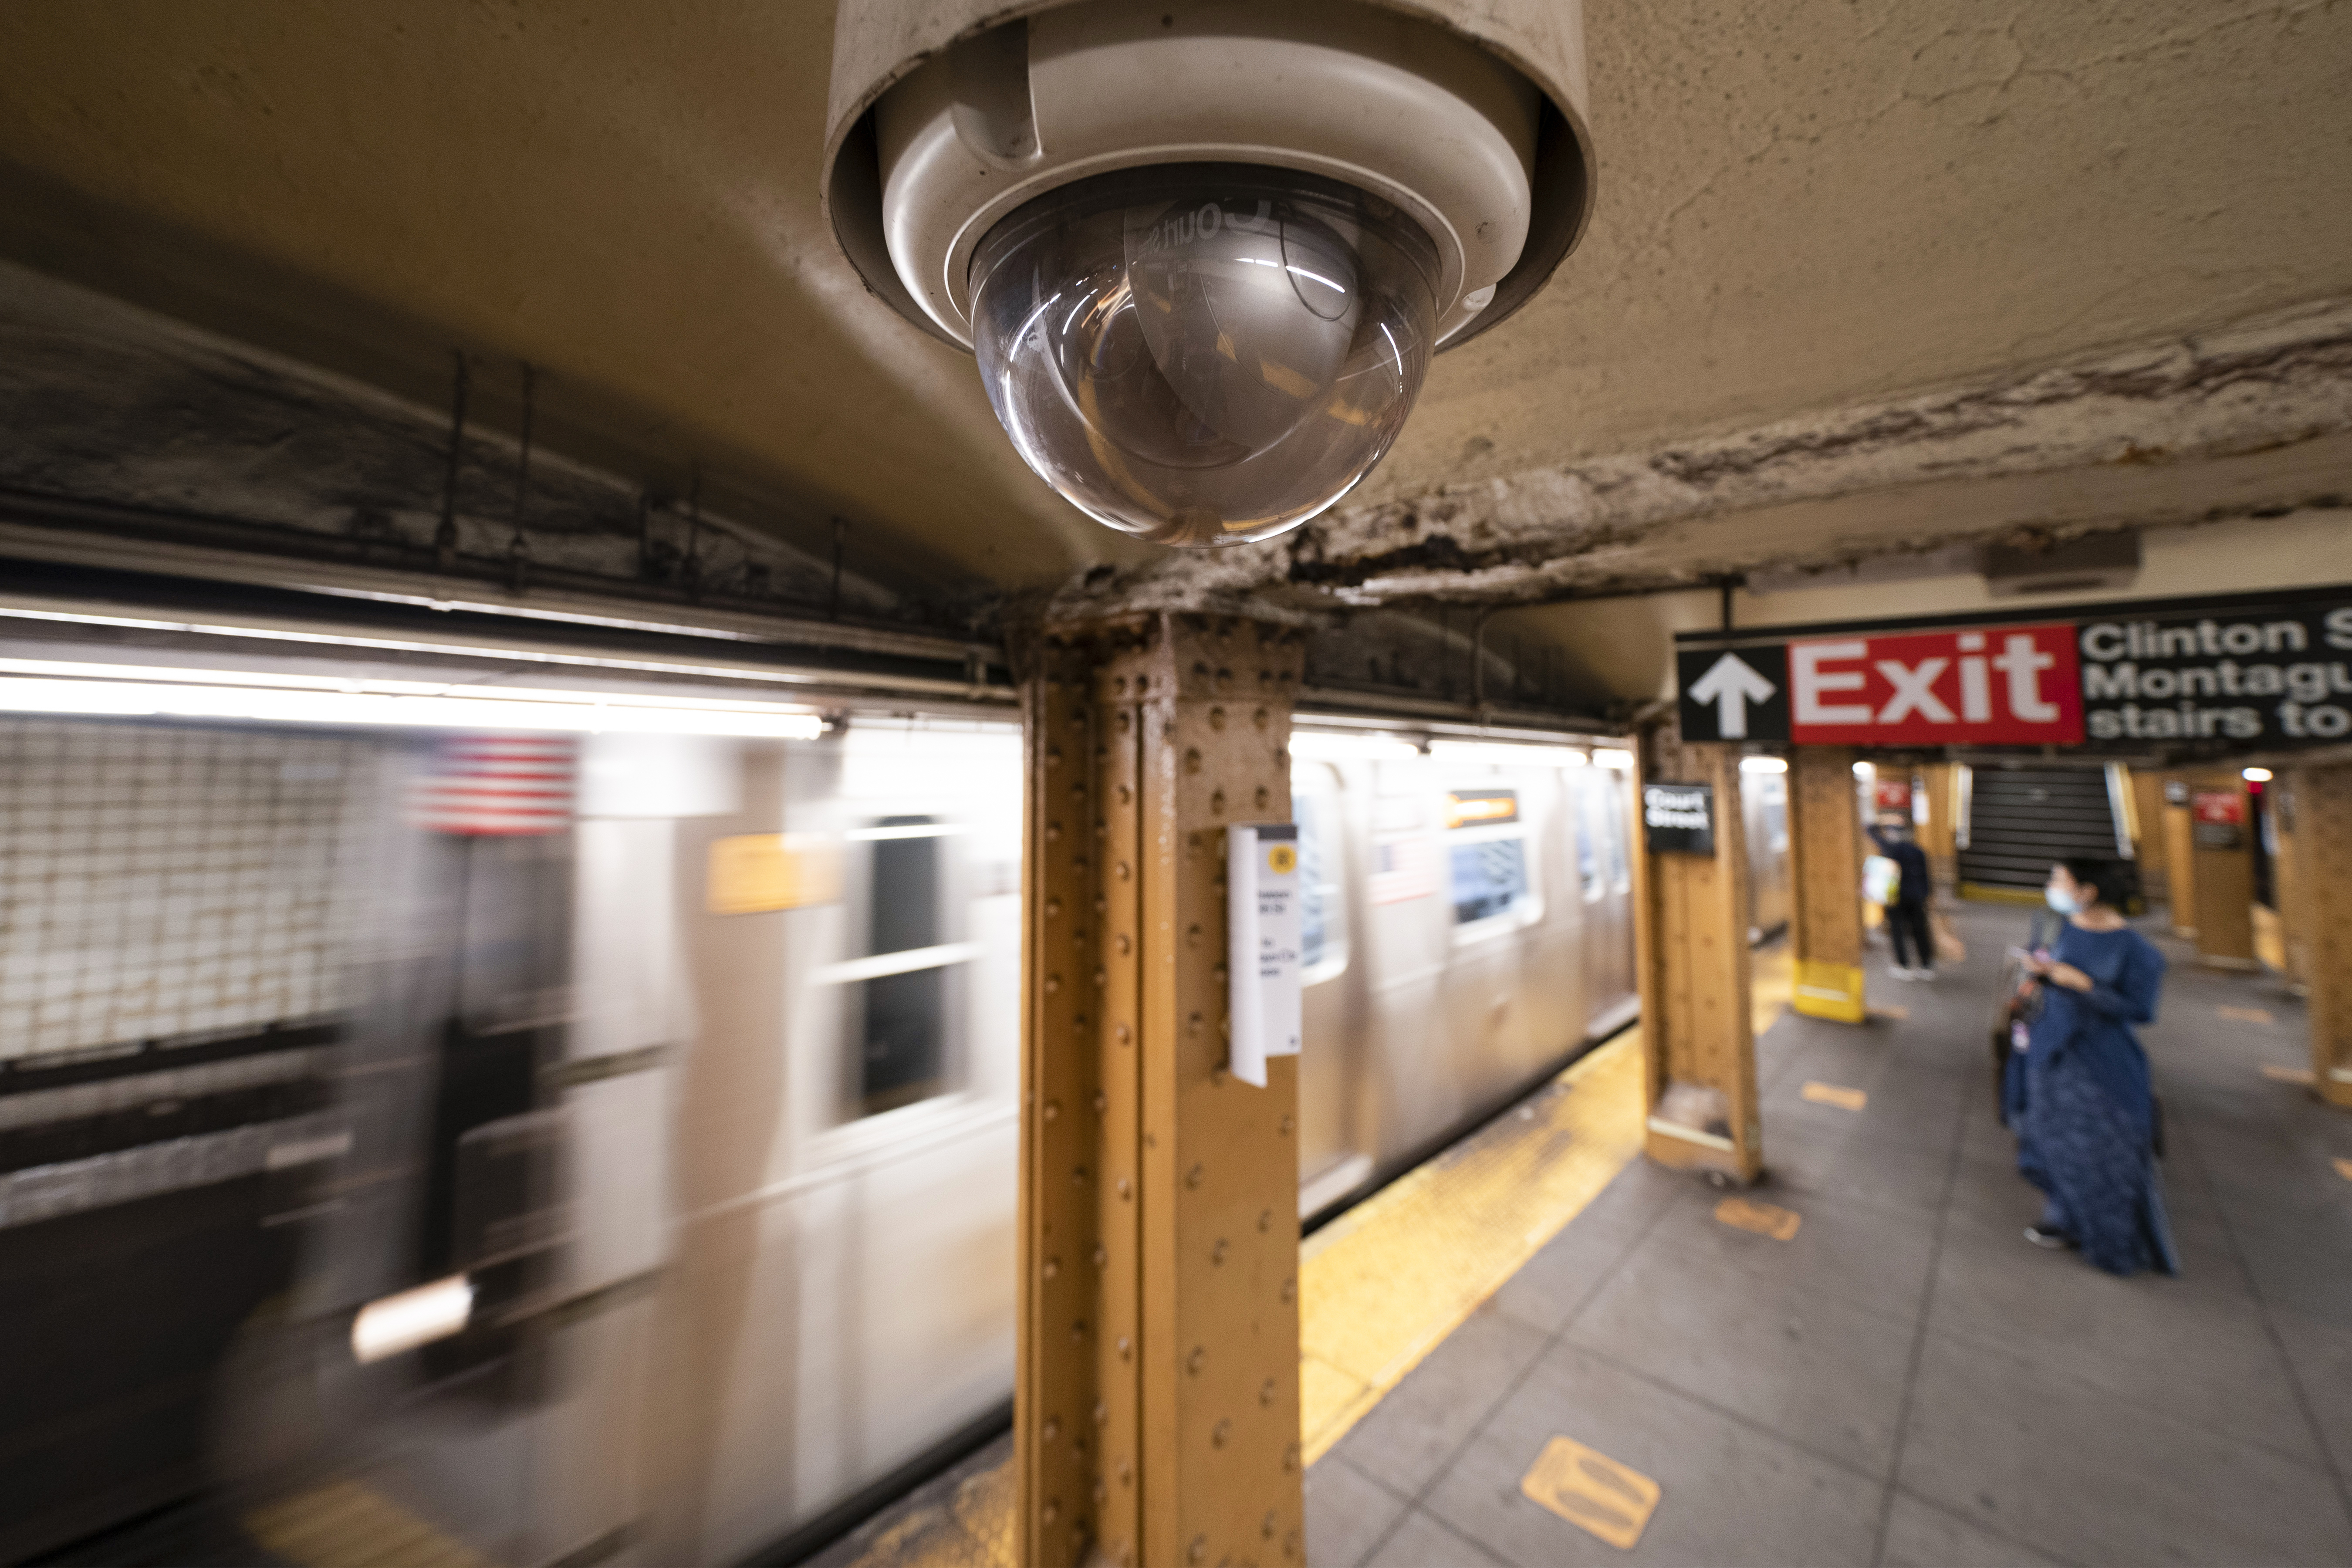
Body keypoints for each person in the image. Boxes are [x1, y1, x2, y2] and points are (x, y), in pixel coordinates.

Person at [2011, 856, 2177, 1276]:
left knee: (2102, 1152)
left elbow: (2140, 1010)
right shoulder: (2056, 926)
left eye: (2060, 880)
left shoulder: (2138, 952)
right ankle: (2062, 1217)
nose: (2052, 886)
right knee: (2049, 1137)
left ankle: (2109, 1240)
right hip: (2050, 1047)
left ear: (2088, 892)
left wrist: (2084, 985)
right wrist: (2039, 974)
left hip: (2102, 1061)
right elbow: (2046, 972)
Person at [1869, 812, 1936, 979]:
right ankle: (1926, 965)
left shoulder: (1889, 849)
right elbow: (1926, 877)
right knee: (1919, 930)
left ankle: (1903, 965)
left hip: (1895, 897)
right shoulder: (1918, 851)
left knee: (1897, 930)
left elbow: (1870, 829)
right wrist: (1927, 895)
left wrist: (1883, 819)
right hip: (1916, 896)